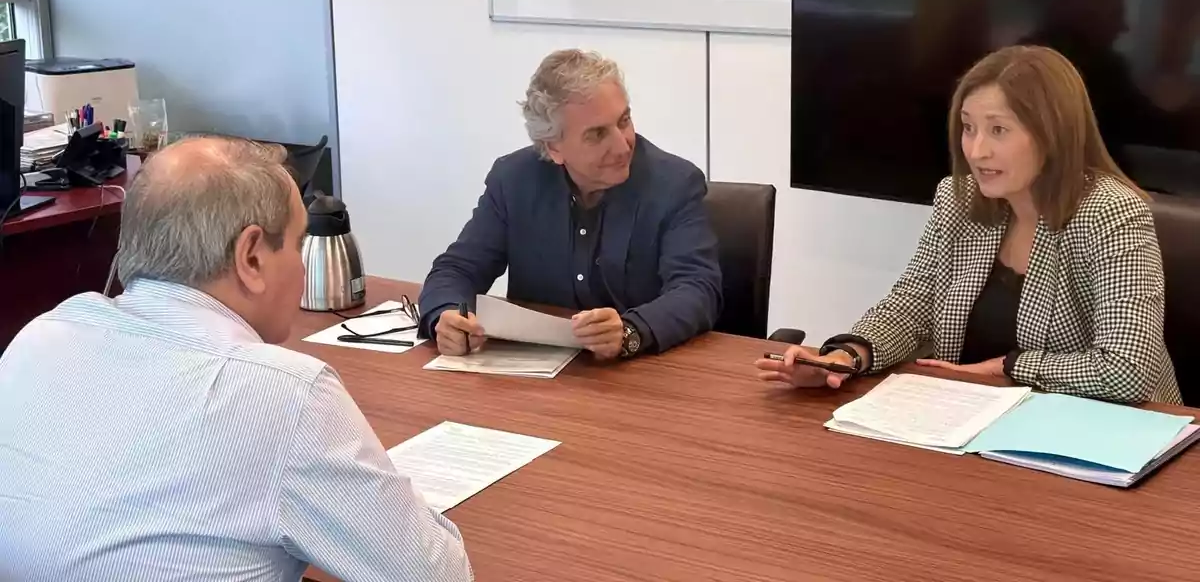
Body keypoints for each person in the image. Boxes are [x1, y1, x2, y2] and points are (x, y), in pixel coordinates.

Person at [0, 137, 473, 582]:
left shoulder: (41, 338)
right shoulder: (283, 393)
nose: (301, 265)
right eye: (296, 242)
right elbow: (435, 574)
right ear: (251, 257)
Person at [757, 45, 1181, 405]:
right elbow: (911, 306)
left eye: (998, 130)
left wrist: (1007, 368)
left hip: (1103, 433)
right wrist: (846, 357)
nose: (977, 151)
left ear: (1053, 134)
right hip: (973, 419)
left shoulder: (1112, 212)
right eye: (968, 128)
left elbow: (1128, 370)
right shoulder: (958, 198)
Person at [419, 49, 722, 360]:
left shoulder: (674, 183)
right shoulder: (513, 180)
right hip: (534, 372)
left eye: (624, 121)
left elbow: (697, 289)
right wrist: (445, 316)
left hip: (639, 375)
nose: (621, 145)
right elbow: (457, 269)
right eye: (597, 134)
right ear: (554, 148)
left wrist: (631, 331)